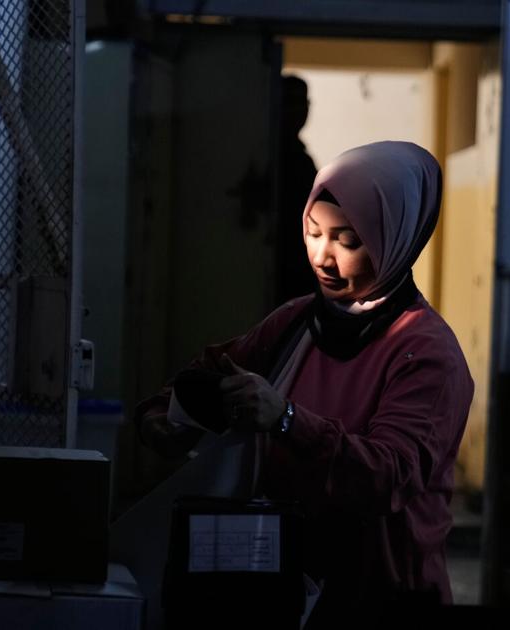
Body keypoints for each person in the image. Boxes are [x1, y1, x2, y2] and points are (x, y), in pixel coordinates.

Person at [135, 141, 473, 622]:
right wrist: (163, 416)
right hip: (283, 588)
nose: (322, 257)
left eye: (348, 241)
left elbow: (389, 476)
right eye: (313, 232)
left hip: (382, 598)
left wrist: (286, 418)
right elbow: (210, 370)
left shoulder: (427, 353)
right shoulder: (298, 322)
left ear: (395, 238)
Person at [276, 75, 320, 302]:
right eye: (289, 102)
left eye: (302, 102)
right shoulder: (267, 155)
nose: (297, 110)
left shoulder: (300, 158)